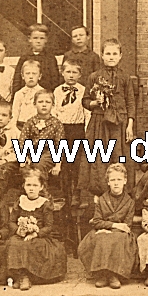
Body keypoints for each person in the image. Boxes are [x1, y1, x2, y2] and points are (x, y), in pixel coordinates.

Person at [81, 39, 136, 198]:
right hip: (100, 122)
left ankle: (121, 194)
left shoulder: (125, 78)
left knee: (120, 155)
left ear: (120, 56)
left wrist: (130, 125)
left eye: (114, 54)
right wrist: (95, 102)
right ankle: (100, 194)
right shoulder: (94, 77)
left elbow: (130, 102)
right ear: (102, 56)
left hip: (120, 123)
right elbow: (85, 100)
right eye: (108, 53)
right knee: (100, 155)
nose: (111, 57)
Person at [78, 163, 138, 289]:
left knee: (118, 239)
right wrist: (112, 225)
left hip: (121, 233)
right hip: (102, 230)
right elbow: (96, 221)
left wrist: (111, 229)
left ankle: (113, 275)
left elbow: (127, 225)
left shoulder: (129, 202)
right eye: (113, 180)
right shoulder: (102, 200)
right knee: (100, 238)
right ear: (108, 182)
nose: (116, 183)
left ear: (125, 181)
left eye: (119, 180)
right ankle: (103, 275)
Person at [7, 168, 67, 290]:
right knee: (13, 243)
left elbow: (49, 226)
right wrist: (18, 230)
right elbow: (11, 221)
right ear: (24, 186)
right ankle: (21, 275)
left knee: (31, 245)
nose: (31, 188)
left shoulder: (44, 203)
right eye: (28, 185)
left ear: (41, 187)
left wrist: (36, 233)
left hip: (40, 236)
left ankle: (28, 276)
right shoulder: (20, 201)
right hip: (21, 234)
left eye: (35, 185)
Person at [53, 58, 91, 208]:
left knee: (76, 163)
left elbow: (87, 113)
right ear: (62, 73)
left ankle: (77, 192)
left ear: (80, 75)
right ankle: (65, 194)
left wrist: (87, 132)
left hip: (78, 130)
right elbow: (54, 111)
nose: (71, 75)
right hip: (62, 129)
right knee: (63, 163)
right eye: (68, 72)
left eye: (74, 72)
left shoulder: (83, 91)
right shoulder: (57, 91)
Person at [18, 90, 64, 182]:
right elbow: (22, 141)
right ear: (34, 104)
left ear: (53, 105)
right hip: (32, 152)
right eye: (40, 102)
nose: (44, 105)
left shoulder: (57, 124)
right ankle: (29, 189)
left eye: (47, 102)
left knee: (38, 165)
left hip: (49, 153)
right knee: (24, 168)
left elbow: (60, 145)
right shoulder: (30, 122)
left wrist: (58, 164)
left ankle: (41, 188)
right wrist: (24, 157)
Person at [11, 24, 60, 95]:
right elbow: (17, 80)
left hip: (45, 95)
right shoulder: (24, 58)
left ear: (46, 40)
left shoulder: (50, 58)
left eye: (41, 38)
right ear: (30, 39)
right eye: (35, 38)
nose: (38, 41)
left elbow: (55, 80)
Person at [11, 60, 43, 129]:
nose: (31, 76)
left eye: (34, 73)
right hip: (21, 126)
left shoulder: (43, 93)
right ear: (22, 76)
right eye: (27, 73)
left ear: (39, 76)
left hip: (38, 126)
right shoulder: (19, 94)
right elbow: (15, 114)